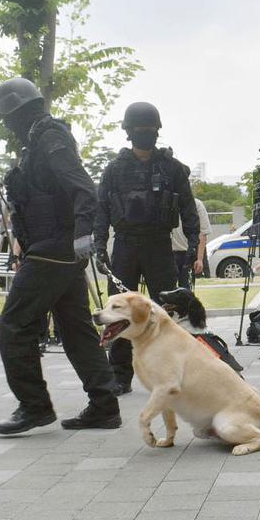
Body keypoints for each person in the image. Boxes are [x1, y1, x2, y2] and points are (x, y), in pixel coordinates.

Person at [0, 77, 120, 435]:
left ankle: (34, 406)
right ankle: (104, 405)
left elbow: (82, 187)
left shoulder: (49, 137)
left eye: (6, 117)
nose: (5, 125)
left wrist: (84, 233)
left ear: (20, 112)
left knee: (14, 325)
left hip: (55, 249)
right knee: (76, 328)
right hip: (54, 249)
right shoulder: (37, 140)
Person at [93, 102, 199, 395]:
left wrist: (193, 243)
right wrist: (99, 245)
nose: (145, 134)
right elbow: (101, 210)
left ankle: (170, 369)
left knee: (164, 311)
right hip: (125, 245)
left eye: (149, 130)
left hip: (158, 245)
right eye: (139, 129)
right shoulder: (114, 170)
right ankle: (120, 375)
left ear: (157, 132)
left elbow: (188, 208)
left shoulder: (171, 168)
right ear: (128, 132)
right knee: (117, 312)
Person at [171, 193, 211, 287]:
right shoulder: (167, 202)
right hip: (170, 254)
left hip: (190, 253)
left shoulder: (196, 204)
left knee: (187, 290)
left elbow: (203, 233)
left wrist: (200, 259)